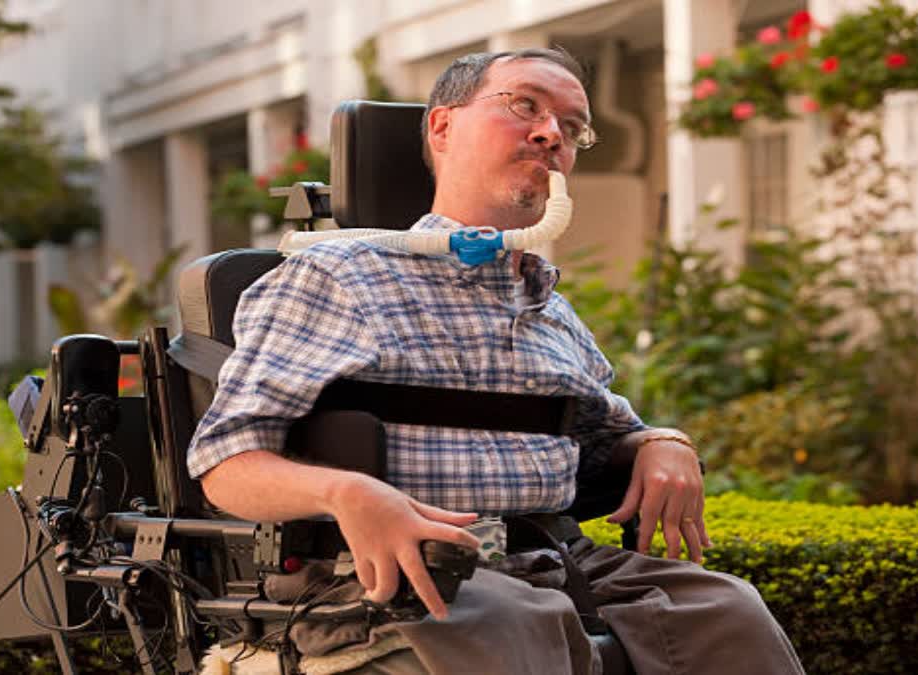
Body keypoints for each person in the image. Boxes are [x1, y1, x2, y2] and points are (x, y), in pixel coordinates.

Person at [187, 48, 804, 674]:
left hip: (550, 559)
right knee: (516, 625)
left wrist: (662, 442)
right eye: (525, 106)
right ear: (443, 127)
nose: (551, 133)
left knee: (727, 611)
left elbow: (607, 434)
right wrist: (346, 492)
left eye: (572, 126)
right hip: (401, 565)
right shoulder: (339, 277)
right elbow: (224, 463)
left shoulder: (547, 303)